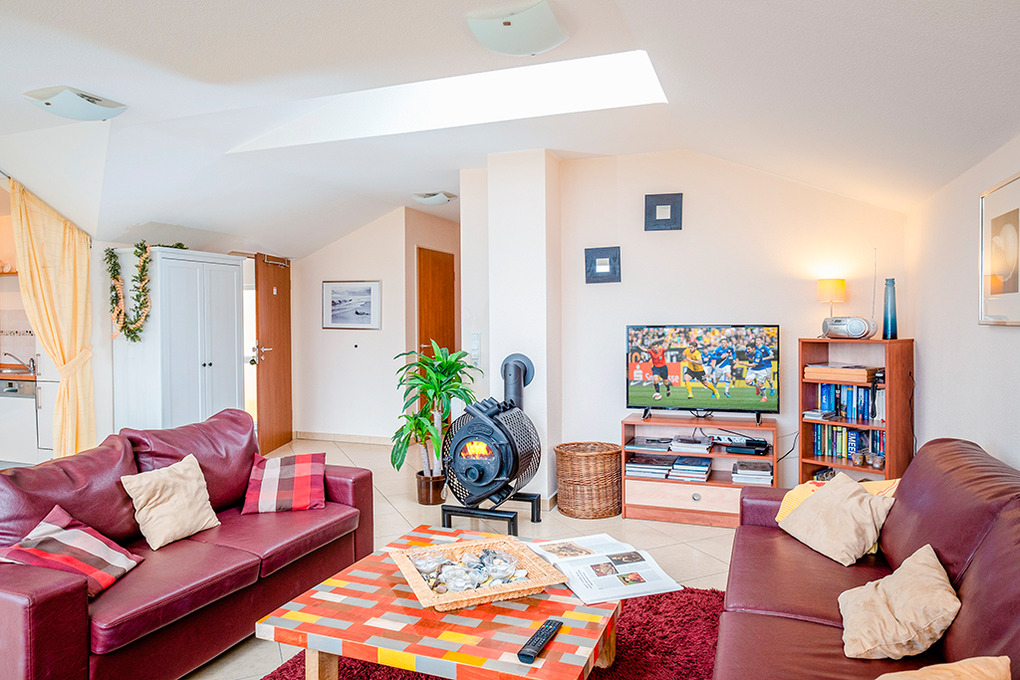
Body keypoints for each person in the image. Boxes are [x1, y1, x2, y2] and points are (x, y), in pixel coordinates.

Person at [637, 332, 675, 399]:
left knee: (665, 382)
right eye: (654, 347)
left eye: (656, 347)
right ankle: (658, 393)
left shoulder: (661, 350)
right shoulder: (651, 351)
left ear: (658, 346)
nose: (655, 349)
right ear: (652, 347)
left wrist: (669, 345)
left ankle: (668, 389)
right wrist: (638, 346)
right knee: (655, 379)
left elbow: (667, 349)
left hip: (663, 368)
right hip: (656, 368)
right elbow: (644, 350)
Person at [745, 336, 776, 403]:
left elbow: (772, 356)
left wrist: (763, 358)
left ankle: (772, 388)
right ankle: (762, 392)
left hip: (767, 365)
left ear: (761, 341)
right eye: (756, 340)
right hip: (757, 366)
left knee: (768, 379)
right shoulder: (754, 348)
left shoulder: (765, 348)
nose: (757, 341)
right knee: (760, 382)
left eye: (758, 340)